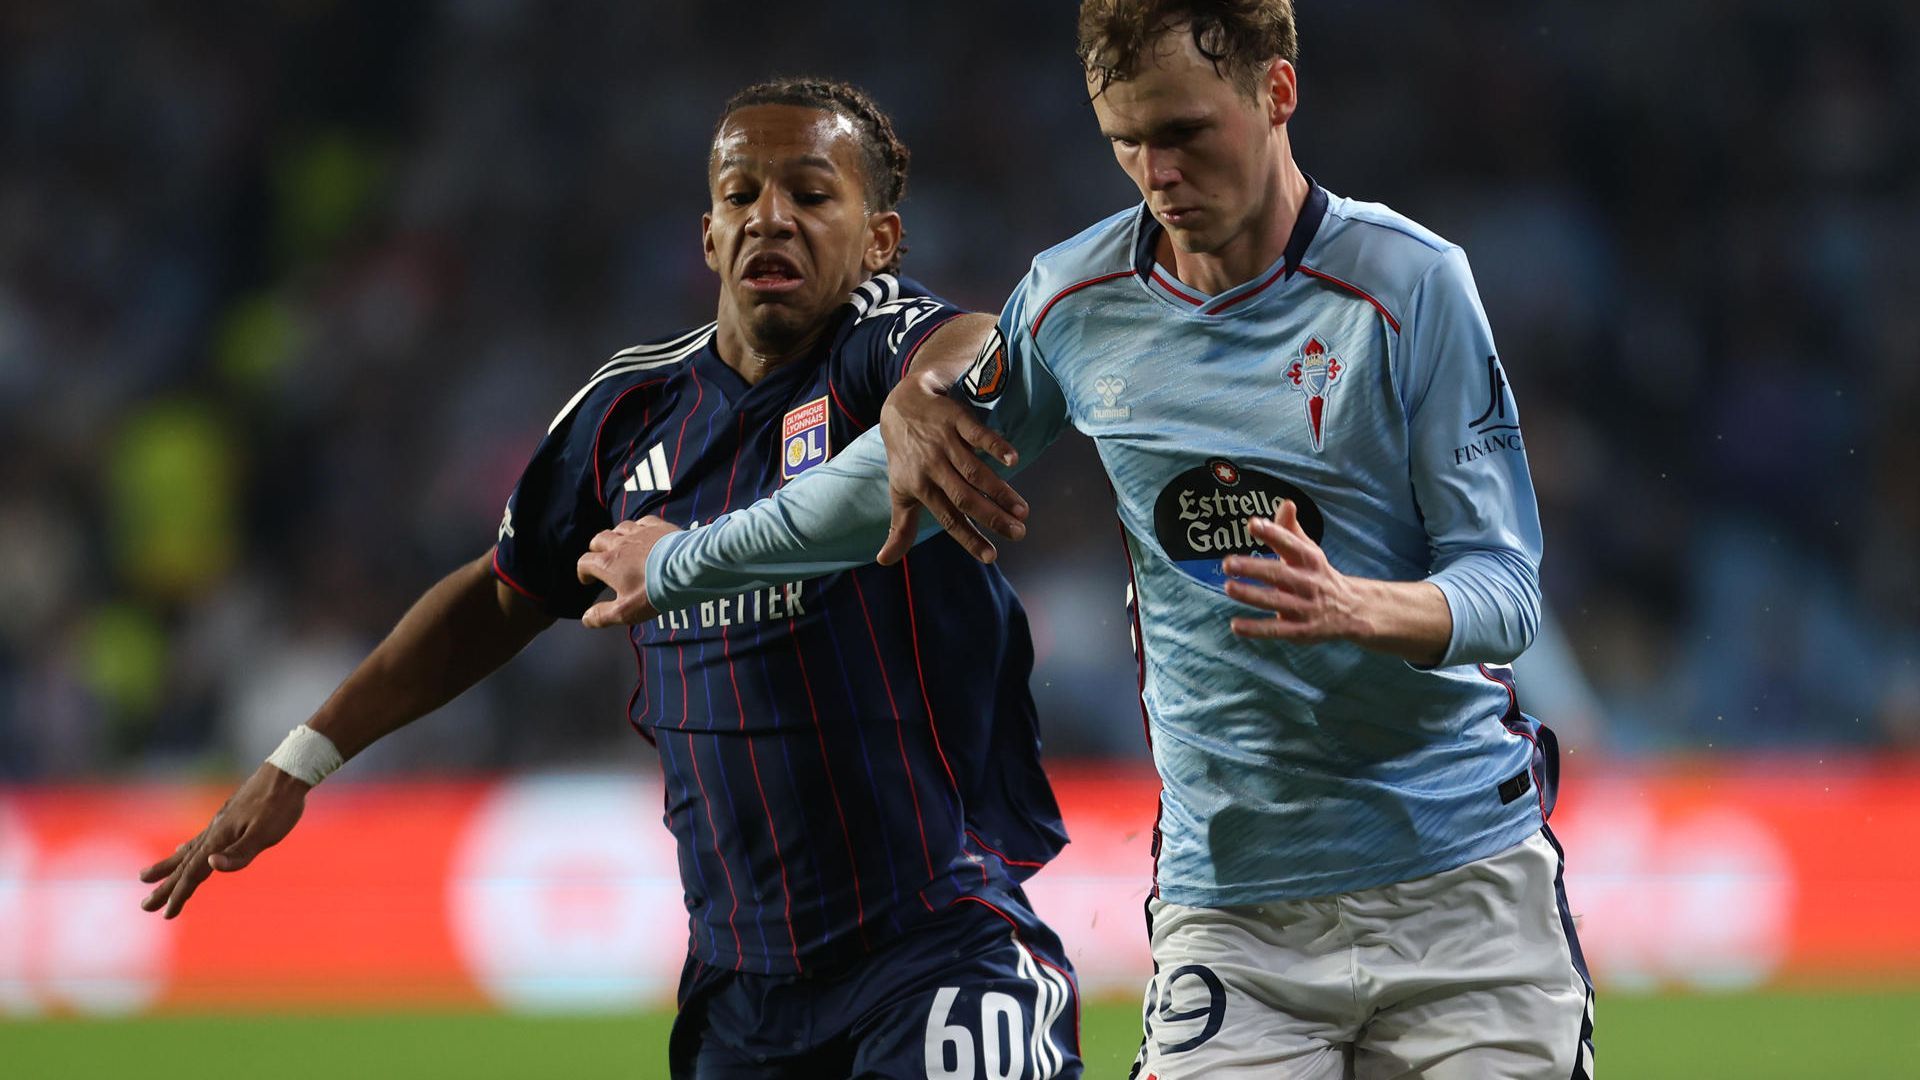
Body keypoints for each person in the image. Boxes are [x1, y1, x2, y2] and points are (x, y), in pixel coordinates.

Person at [576, 5, 1595, 1079]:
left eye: (1186, 133)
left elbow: (1505, 590)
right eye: (1125, 139)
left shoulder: (1409, 286)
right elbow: (888, 479)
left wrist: (1360, 608)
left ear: (1277, 93)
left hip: (1461, 890)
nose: (1155, 170)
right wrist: (682, 561)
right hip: (1234, 917)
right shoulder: (1074, 299)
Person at [138, 78, 1083, 1080]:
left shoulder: (875, 357)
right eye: (741, 195)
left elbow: (972, 343)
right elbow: (502, 597)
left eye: (812, 194)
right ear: (710, 237)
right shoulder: (626, 413)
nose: (772, 216)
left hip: (933, 947)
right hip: (740, 998)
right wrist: (303, 759)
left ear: (881, 239)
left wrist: (925, 398)